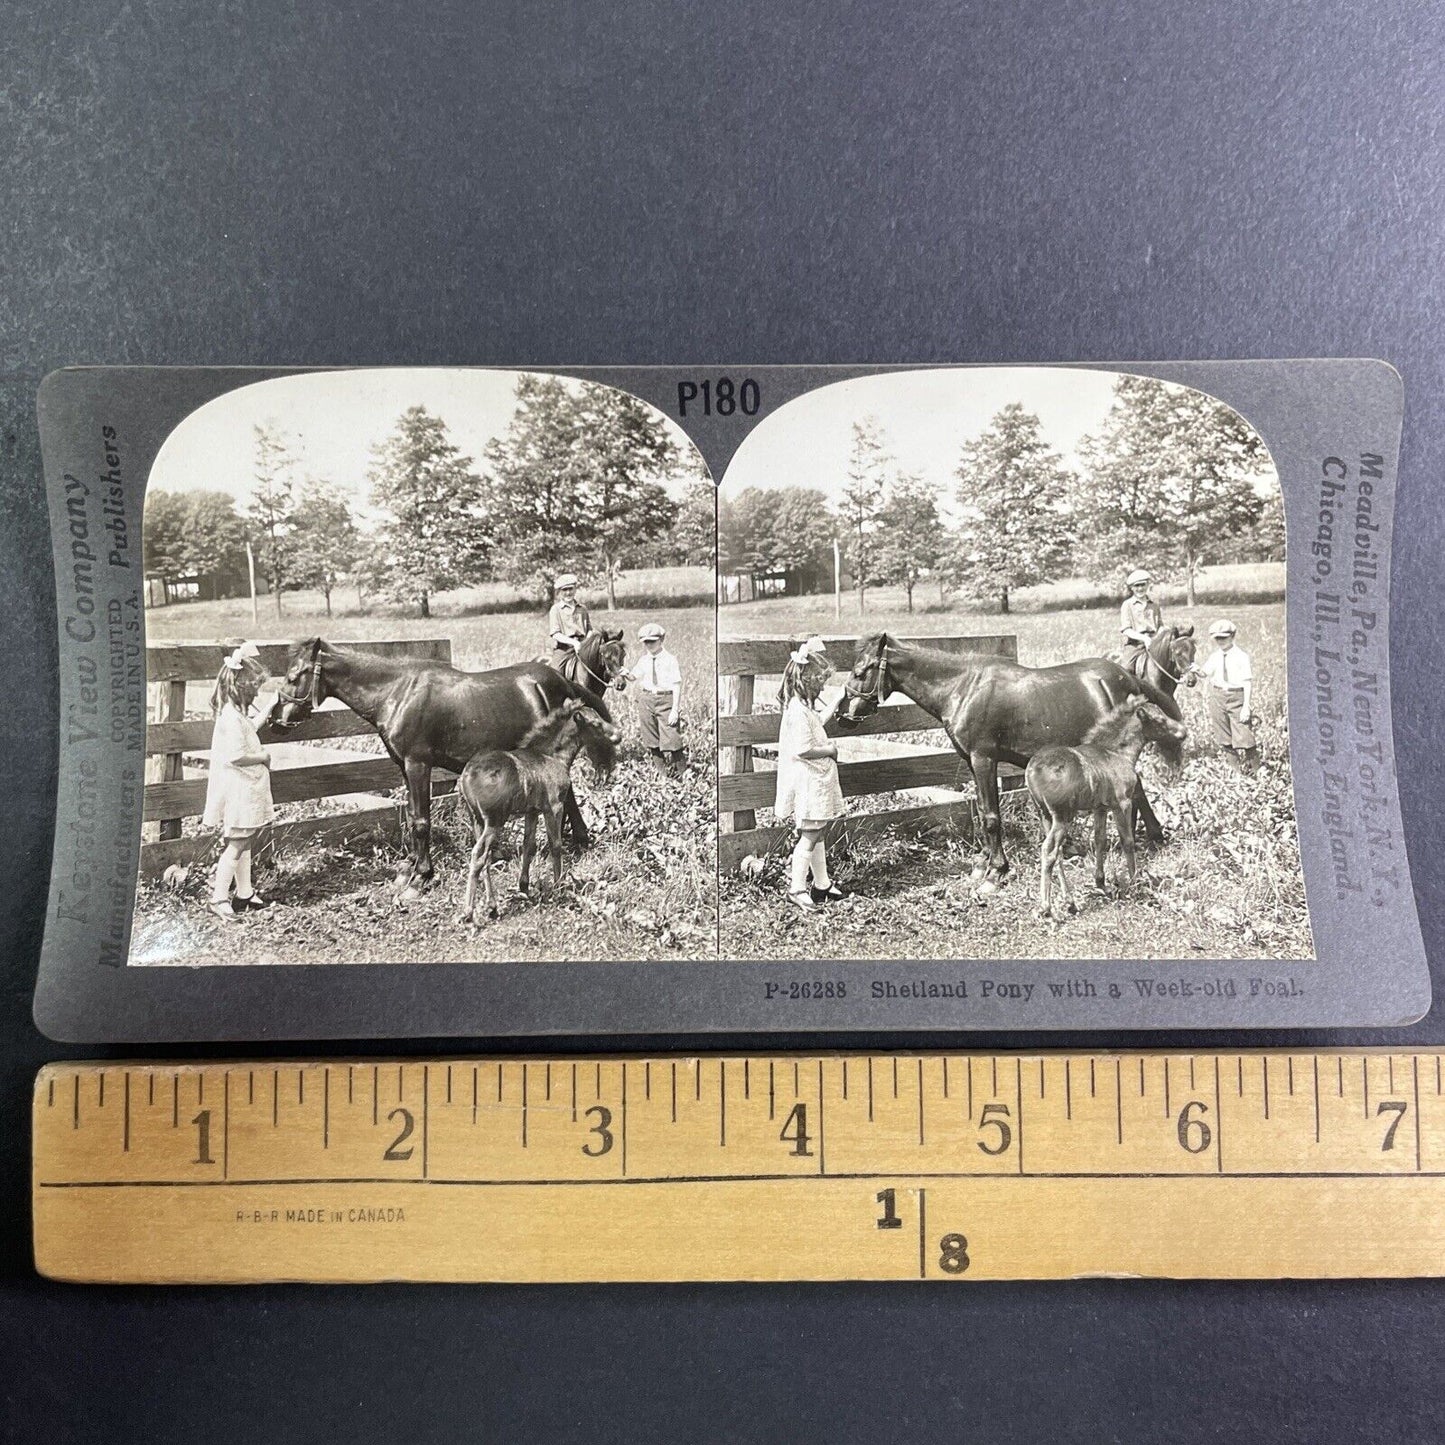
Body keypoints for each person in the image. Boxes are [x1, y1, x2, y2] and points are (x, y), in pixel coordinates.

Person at [202, 640, 276, 922]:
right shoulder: (230, 718)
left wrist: (268, 708)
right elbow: (236, 755)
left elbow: (248, 732)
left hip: (248, 788)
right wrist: (263, 757)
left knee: (245, 840)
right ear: (242, 687)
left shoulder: (237, 715)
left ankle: (244, 892)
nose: (257, 691)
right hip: (240, 789)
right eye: (255, 686)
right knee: (236, 844)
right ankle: (218, 898)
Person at [773, 636, 847, 914]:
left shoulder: (803, 708)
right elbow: (804, 749)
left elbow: (817, 722)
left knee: (817, 833)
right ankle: (797, 889)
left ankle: (822, 884)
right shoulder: (796, 710)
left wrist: (838, 699)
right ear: (807, 681)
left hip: (816, 780)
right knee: (809, 835)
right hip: (809, 780)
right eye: (821, 681)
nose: (823, 685)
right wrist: (830, 749)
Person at [1190, 619, 1259, 771]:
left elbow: (1247, 682)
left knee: (1245, 735)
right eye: (1217, 638)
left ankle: (1257, 772)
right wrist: (1196, 669)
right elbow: (1204, 673)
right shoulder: (1215, 656)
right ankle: (1235, 772)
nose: (1221, 641)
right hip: (1218, 696)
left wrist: (1246, 706)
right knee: (1223, 735)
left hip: (1237, 696)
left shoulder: (1241, 656)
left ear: (1232, 636)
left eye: (1224, 638)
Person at [623, 622, 685, 774]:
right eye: (646, 642)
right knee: (651, 738)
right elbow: (633, 676)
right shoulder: (644, 660)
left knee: (672, 738)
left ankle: (683, 775)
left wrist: (674, 710)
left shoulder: (670, 659)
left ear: (661, 640)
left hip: (666, 700)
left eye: (652, 641)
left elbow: (676, 684)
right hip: (646, 700)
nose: (649, 645)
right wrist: (625, 673)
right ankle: (662, 774)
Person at [1119, 568, 1163, 678]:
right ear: (1132, 588)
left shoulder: (1154, 605)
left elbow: (1160, 625)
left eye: (1143, 585)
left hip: (1154, 643)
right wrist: (1144, 638)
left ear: (1148, 585)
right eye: (1136, 586)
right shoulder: (1127, 605)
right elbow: (1126, 629)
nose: (1140, 588)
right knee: (1126, 669)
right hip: (1135, 644)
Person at [547, 573, 591, 658]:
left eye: (571, 589)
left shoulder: (582, 609)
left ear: (575, 589)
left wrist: (587, 642)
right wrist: (574, 642)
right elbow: (555, 633)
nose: (568, 593)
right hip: (564, 649)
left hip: (583, 647)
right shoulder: (556, 609)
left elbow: (590, 630)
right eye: (564, 590)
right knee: (556, 669)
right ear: (559, 592)